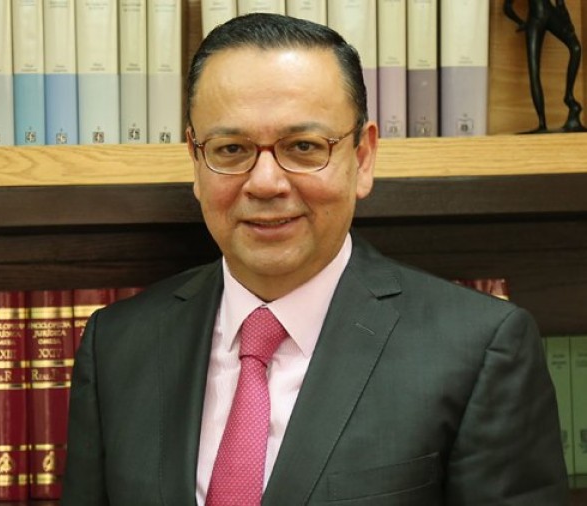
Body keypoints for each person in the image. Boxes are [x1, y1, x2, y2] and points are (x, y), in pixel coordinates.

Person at [62, 13, 568, 505]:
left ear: (363, 158)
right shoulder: (117, 345)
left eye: (303, 146)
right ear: (195, 161)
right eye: (231, 149)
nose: (265, 183)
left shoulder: (478, 350)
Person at [503, 0, 586, 132]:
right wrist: (521, 22)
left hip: (543, 15)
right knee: (534, 71)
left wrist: (567, 20)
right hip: (540, 17)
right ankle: (542, 122)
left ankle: (568, 96)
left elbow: (507, 8)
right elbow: (507, 7)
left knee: (575, 49)